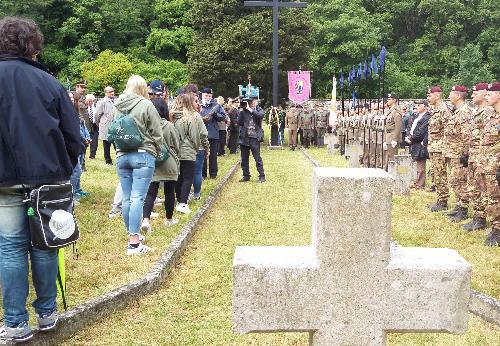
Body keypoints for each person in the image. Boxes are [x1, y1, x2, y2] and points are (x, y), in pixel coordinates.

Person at [0, 16, 81, 342]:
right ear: (33, 45)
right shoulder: (49, 83)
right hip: (47, 179)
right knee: (44, 246)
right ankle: (47, 313)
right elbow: (73, 136)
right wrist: (63, 166)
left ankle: (16, 323)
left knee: (11, 248)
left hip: (5, 181)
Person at [113, 75, 163, 255]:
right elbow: (157, 132)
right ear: (143, 88)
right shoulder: (146, 104)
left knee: (127, 198)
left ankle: (131, 235)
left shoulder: (117, 105)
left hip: (122, 155)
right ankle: (134, 244)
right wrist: (156, 149)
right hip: (143, 155)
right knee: (137, 198)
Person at [141, 97, 180, 232]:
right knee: (170, 192)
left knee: (151, 192)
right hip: (169, 162)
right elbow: (176, 144)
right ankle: (169, 219)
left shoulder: (146, 125)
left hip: (152, 160)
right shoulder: (169, 125)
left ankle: (146, 219)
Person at [462, 83, 493, 231]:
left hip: (484, 156)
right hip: (474, 154)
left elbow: (487, 138)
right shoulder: (476, 111)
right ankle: (478, 217)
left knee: (485, 189)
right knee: (473, 187)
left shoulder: (488, 112)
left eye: (475, 93)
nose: (472, 96)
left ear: (484, 94)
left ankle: (484, 219)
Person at [173, 93, 209, 214]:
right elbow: (200, 135)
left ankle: (178, 200)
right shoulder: (193, 116)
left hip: (175, 151)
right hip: (188, 150)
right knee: (189, 177)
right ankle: (183, 203)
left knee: (179, 176)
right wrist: (201, 147)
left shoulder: (173, 116)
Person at [445, 85, 472, 222]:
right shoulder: (457, 111)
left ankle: (463, 209)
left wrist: (465, 154)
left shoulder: (464, 111)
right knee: (455, 180)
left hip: (459, 153)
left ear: (458, 96)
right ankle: (459, 205)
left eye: (451, 94)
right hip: (453, 152)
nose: (449, 97)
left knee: (461, 181)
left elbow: (467, 134)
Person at [427, 86, 452, 211]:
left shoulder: (443, 109)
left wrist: (445, 147)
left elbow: (448, 130)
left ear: (437, 95)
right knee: (436, 174)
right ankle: (440, 198)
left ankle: (443, 201)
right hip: (434, 147)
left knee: (440, 174)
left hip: (440, 147)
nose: (428, 98)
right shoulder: (435, 109)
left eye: (430, 95)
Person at [481, 82, 499, 246]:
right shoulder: (491, 116)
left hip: (496, 165)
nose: (486, 97)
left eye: (489, 94)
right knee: (491, 198)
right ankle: (495, 227)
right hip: (488, 164)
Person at [237, 97, 266, 183]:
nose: (250, 103)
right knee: (244, 158)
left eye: (251, 101)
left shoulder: (259, 110)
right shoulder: (243, 111)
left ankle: (262, 176)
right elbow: (239, 122)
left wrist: (250, 110)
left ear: (255, 102)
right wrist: (241, 110)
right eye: (248, 102)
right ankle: (246, 176)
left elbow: (260, 116)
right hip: (244, 137)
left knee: (257, 158)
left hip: (255, 138)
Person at [199, 87, 226, 178]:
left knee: (213, 155)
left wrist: (214, 114)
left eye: (209, 96)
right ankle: (203, 174)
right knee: (202, 155)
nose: (208, 97)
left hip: (214, 133)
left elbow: (223, 117)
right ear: (202, 95)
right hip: (201, 134)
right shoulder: (197, 104)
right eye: (206, 95)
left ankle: (213, 174)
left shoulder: (216, 105)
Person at [406, 100, 430, 189]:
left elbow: (422, 131)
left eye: (419, 105)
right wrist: (408, 136)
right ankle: (416, 181)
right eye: (416, 105)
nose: (417, 107)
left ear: (425, 106)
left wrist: (411, 138)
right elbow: (409, 126)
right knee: (416, 161)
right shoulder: (416, 116)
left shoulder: (427, 117)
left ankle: (420, 184)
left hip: (420, 142)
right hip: (414, 141)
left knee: (420, 163)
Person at [95, 86, 115, 165]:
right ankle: (108, 160)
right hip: (106, 125)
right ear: (106, 93)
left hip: (114, 125)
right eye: (110, 92)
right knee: (106, 144)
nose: (112, 93)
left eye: (113, 91)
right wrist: (99, 123)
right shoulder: (102, 102)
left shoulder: (114, 101)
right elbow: (97, 114)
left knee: (116, 143)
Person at [382, 93, 403, 171]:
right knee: (386, 157)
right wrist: (384, 139)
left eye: (389, 99)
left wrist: (394, 139)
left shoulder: (396, 112)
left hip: (392, 137)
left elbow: (398, 127)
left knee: (392, 158)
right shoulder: (388, 111)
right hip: (388, 136)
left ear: (394, 100)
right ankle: (386, 173)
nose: (387, 100)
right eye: (387, 99)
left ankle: (392, 174)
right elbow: (386, 127)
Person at [86, 94, 99, 160]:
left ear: (93, 101)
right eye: (87, 101)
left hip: (95, 125)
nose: (88, 103)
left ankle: (92, 155)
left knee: (94, 141)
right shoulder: (84, 107)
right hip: (87, 125)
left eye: (90, 101)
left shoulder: (97, 106)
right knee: (86, 140)